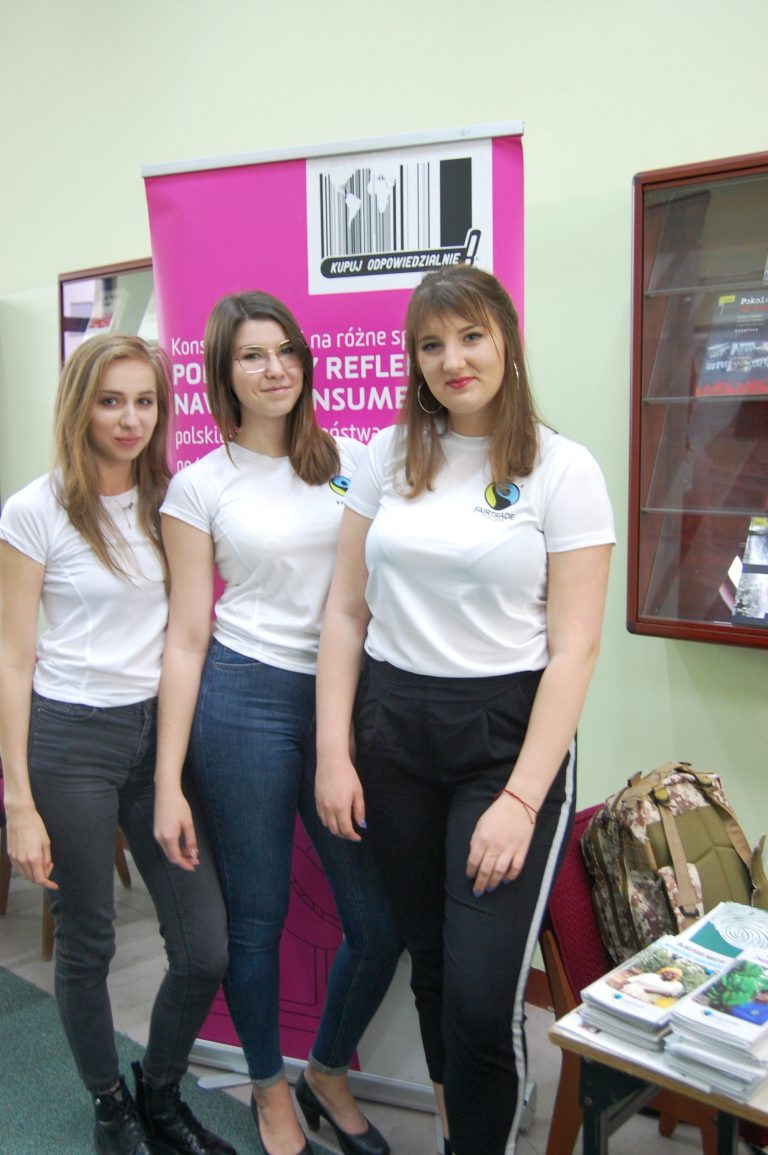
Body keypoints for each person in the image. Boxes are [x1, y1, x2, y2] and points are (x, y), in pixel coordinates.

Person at [314, 264, 615, 1155]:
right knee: (435, 969)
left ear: (507, 341)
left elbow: (575, 649)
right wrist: (334, 751)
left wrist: (521, 798)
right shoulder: (386, 454)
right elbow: (345, 611)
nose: (453, 360)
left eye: (472, 336)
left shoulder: (563, 468)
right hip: (393, 734)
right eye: (432, 344)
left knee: (484, 998)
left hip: (505, 745)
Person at [153, 291, 401, 1155]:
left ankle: (325, 1070)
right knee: (255, 922)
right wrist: (168, 779)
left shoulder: (355, 459)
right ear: (224, 374)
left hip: (345, 700)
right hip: (243, 701)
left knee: (377, 923)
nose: (274, 369)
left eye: (286, 350)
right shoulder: (200, 484)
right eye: (252, 356)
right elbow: (187, 637)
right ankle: (269, 1089)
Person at [0, 335, 236, 1155]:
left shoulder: (171, 502)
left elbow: (186, 635)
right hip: (70, 741)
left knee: (204, 946)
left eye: (145, 401)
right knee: (89, 938)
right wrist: (19, 802)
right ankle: (110, 1105)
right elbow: (14, 657)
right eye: (111, 401)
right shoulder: (35, 510)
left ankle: (159, 1091)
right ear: (80, 406)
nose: (131, 419)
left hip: (157, 739)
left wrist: (168, 775)